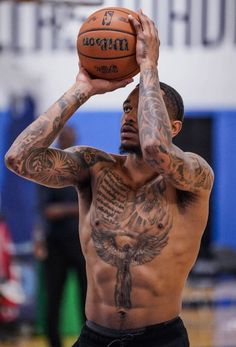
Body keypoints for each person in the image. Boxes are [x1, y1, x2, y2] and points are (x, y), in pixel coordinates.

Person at [5, 9, 214, 347]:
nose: (130, 116)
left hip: (160, 339)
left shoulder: (194, 175)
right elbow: (19, 159)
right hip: (94, 337)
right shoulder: (93, 166)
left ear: (174, 127)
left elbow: (157, 150)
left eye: (144, 108)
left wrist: (148, 67)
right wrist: (81, 88)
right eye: (126, 109)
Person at [34, 126, 87, 347]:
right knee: (54, 299)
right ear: (59, 141)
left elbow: (92, 206)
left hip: (81, 243)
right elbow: (47, 211)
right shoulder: (48, 168)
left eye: (72, 138)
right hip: (55, 245)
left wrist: (64, 210)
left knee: (88, 300)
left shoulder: (83, 167)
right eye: (65, 138)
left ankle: (89, 342)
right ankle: (54, 343)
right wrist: (76, 208)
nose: (69, 141)